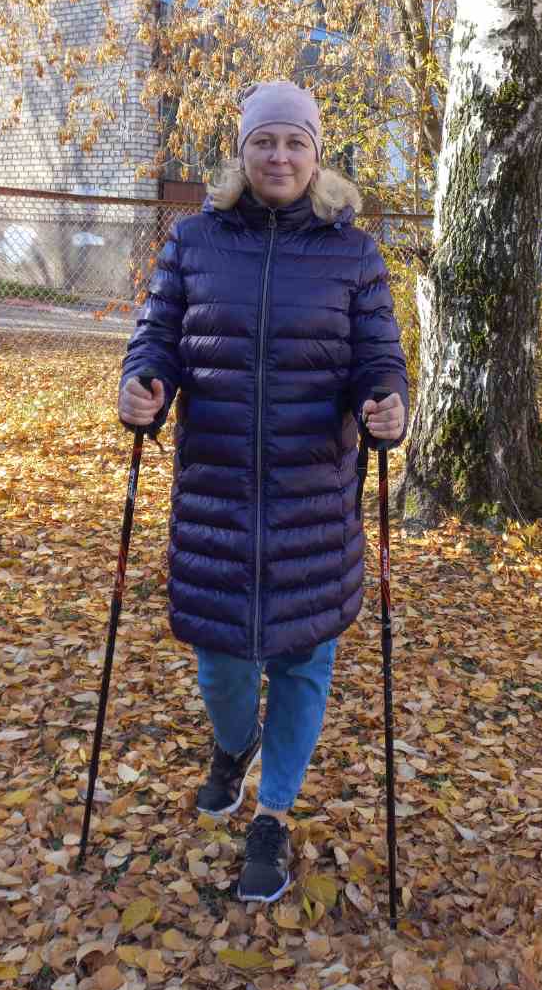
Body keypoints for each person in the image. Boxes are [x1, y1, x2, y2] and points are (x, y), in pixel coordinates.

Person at [119, 81, 409, 904]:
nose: (279, 156)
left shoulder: (353, 253)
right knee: (221, 664)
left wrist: (387, 402)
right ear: (242, 152)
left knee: (304, 662)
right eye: (264, 142)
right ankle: (233, 743)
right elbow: (157, 337)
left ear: (317, 155)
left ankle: (273, 815)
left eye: (295, 142)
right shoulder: (194, 241)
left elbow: (378, 357)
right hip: (215, 494)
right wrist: (143, 385)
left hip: (313, 500)